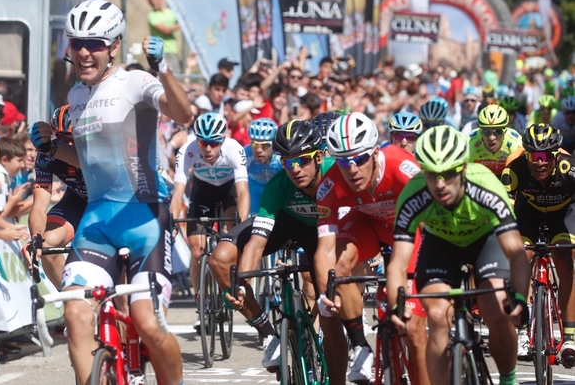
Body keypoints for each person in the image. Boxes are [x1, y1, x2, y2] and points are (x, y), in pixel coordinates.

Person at [29, 0, 191, 385]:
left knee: (148, 324)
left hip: (143, 217)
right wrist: (52, 148)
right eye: (77, 43)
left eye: (96, 43)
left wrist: (163, 70)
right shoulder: (76, 97)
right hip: (98, 221)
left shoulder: (134, 82)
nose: (85, 52)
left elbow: (183, 115)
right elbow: (90, 161)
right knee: (75, 312)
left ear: (114, 45)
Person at [389, 125, 529, 385]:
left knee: (497, 308)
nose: (440, 184)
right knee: (438, 316)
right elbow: (397, 262)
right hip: (441, 244)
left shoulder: (485, 185)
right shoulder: (413, 194)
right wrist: (397, 306)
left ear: (463, 168)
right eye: (432, 175)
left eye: (449, 174)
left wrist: (520, 297)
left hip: (485, 240)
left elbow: (516, 252)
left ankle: (508, 380)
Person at [209, 120, 339, 378]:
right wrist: (242, 282)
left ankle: (325, 331)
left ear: (320, 156)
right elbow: (256, 243)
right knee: (221, 260)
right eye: (288, 162)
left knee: (326, 290)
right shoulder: (279, 185)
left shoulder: (335, 174)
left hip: (323, 231)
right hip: (285, 224)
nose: (296, 169)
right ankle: (270, 336)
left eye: (303, 160)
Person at [315, 113, 429, 385]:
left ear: (376, 152)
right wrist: (324, 295)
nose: (352, 168)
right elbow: (325, 251)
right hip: (367, 226)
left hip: (408, 229)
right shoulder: (329, 185)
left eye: (360, 158)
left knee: (413, 330)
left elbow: (431, 223)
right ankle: (360, 345)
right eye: (343, 160)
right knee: (338, 269)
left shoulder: (403, 168)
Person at [501, 123, 575, 366]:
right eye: (533, 155)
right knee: (521, 257)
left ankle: (570, 336)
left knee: (565, 258)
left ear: (555, 156)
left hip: (562, 217)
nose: (539, 162)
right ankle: (523, 328)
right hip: (528, 216)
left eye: (545, 156)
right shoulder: (515, 169)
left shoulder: (570, 168)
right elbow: (503, 208)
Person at [169, 112, 249, 329]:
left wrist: (241, 224)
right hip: (202, 192)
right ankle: (202, 303)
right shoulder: (187, 150)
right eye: (203, 142)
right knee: (197, 253)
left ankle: (230, 284)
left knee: (233, 233)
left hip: (228, 191)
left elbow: (242, 192)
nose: (207, 149)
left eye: (214, 143)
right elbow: (178, 192)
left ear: (222, 140)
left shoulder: (235, 149)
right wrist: (172, 221)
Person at [23, 105, 87, 290]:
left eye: (71, 138)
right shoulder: (47, 155)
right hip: (77, 201)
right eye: (60, 138)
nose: (65, 144)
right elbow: (39, 205)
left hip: (108, 204)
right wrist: (35, 238)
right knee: (47, 244)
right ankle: (73, 298)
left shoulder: (97, 148)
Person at [467, 104, 522, 176]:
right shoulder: (470, 142)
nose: (491, 138)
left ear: (505, 132)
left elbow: (521, 175)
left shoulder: (515, 142)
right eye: (486, 131)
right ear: (480, 131)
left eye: (498, 132)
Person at [244, 118, 282, 214]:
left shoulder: (281, 154)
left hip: (277, 190)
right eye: (254, 144)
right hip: (255, 190)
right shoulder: (245, 153)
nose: (259, 150)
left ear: (273, 144)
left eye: (265, 145)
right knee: (252, 222)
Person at [146, 0, 181, 74]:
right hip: (162, 52)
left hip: (173, 50)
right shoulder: (152, 16)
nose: (153, 1)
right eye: (151, 0)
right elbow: (166, 30)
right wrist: (180, 24)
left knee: (177, 77)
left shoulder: (170, 12)